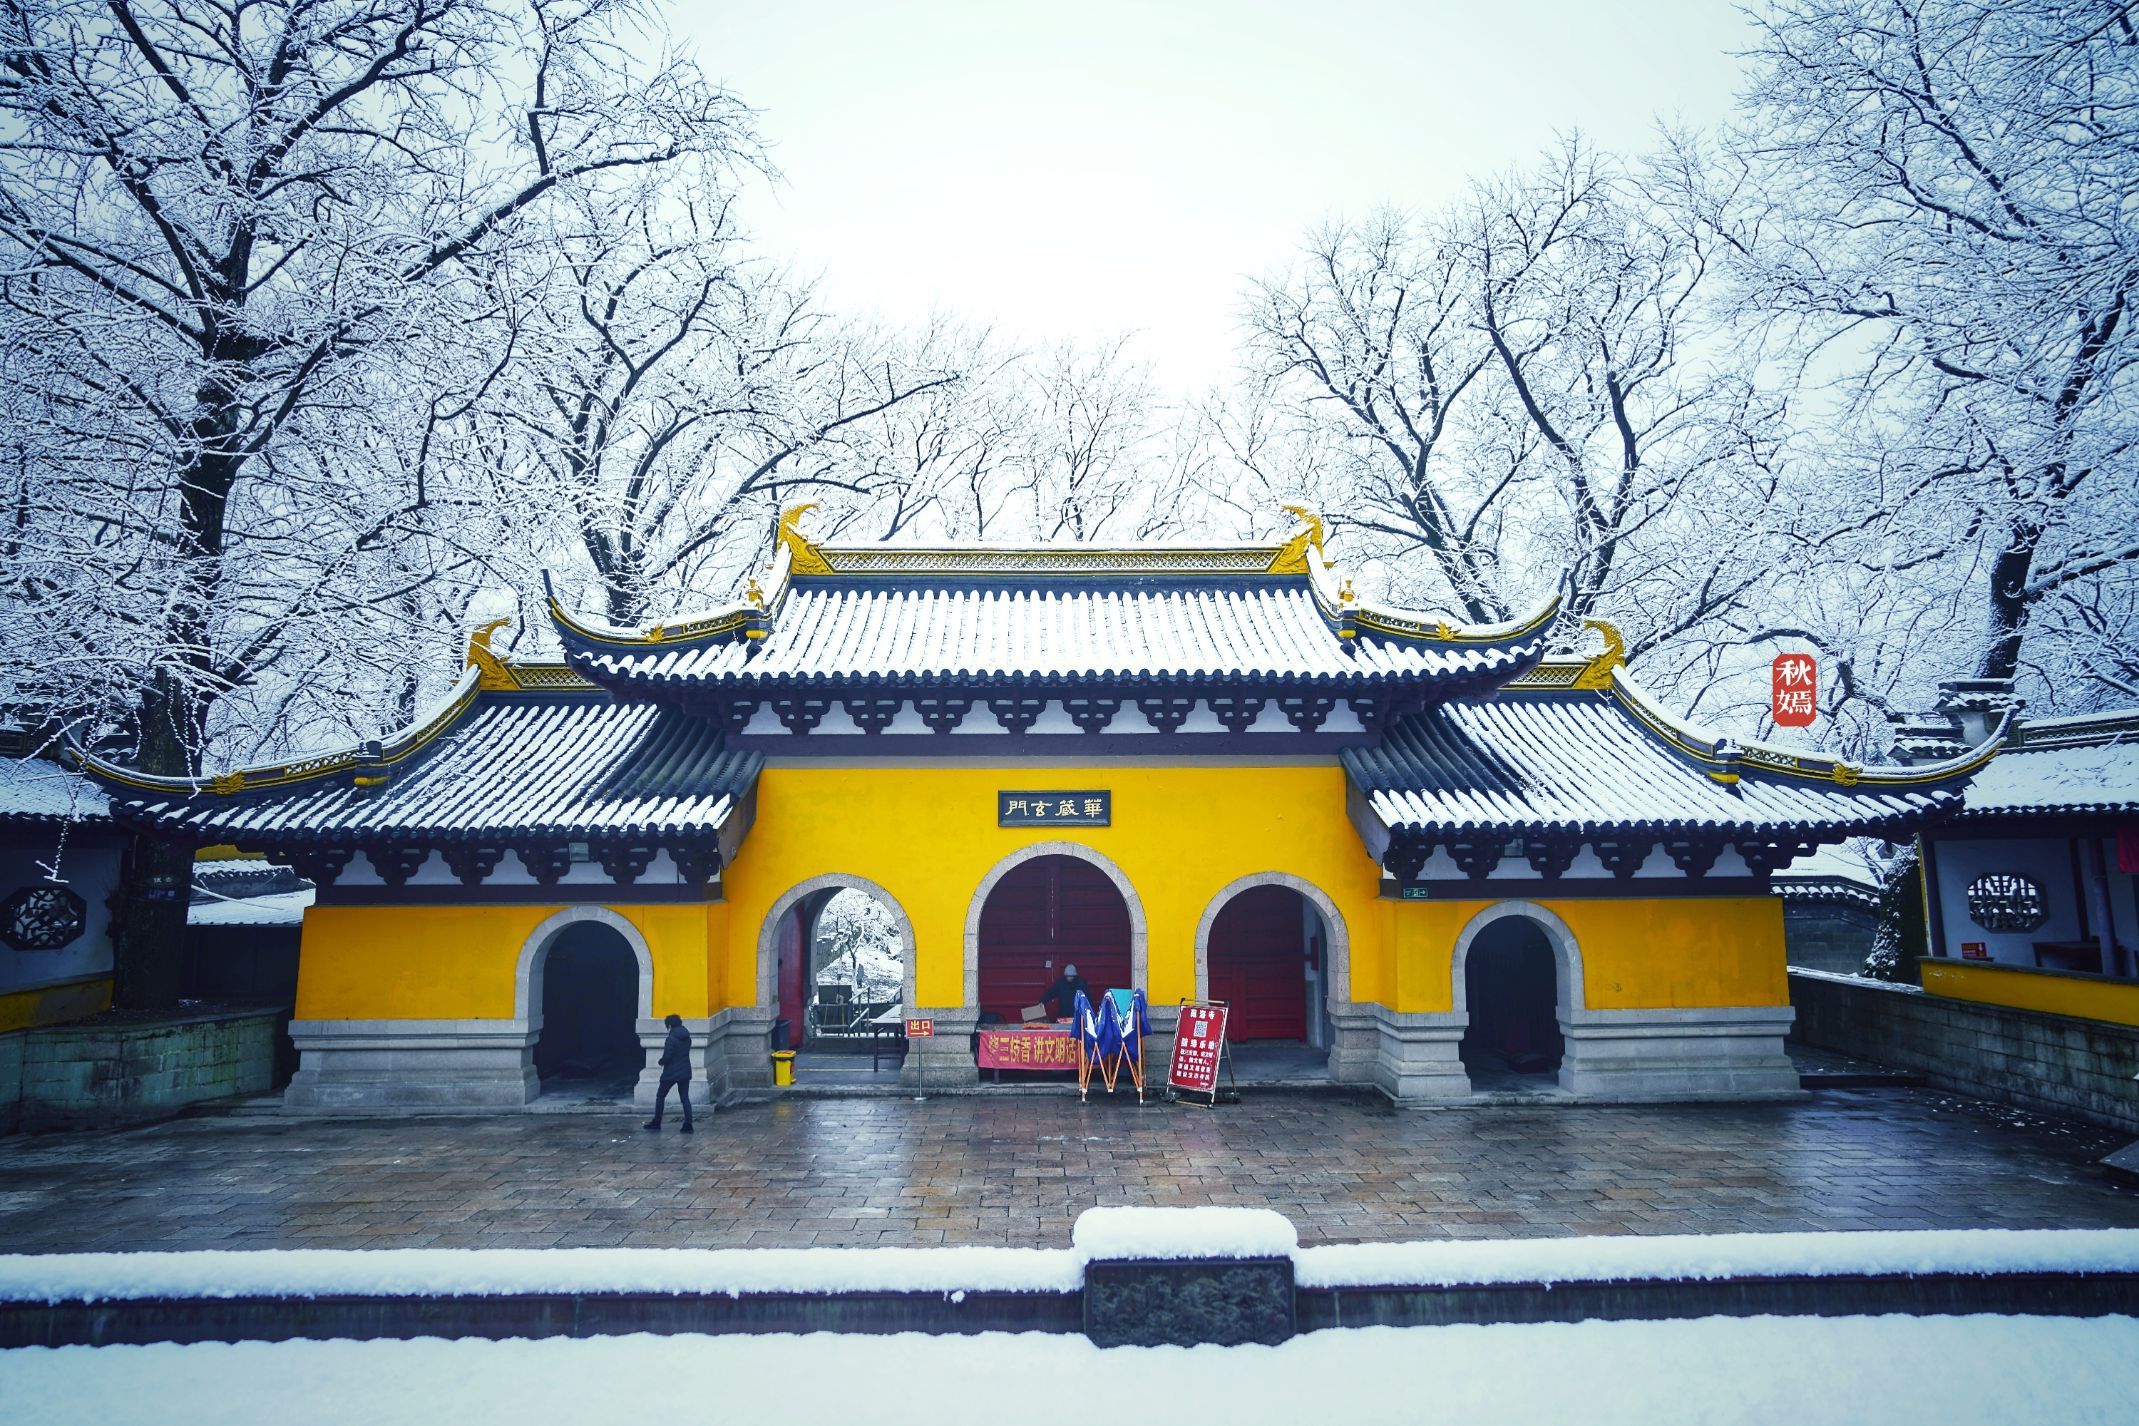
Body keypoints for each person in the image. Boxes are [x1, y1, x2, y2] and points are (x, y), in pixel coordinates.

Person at [643, 1013, 694, 1133]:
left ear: (669, 1025)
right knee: (685, 1098)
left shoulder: (671, 1038)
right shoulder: (687, 1037)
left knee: (660, 1096)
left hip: (670, 1073)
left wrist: (661, 1061)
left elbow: (667, 1056)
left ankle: (657, 1122)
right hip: (685, 1071)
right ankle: (688, 1124)